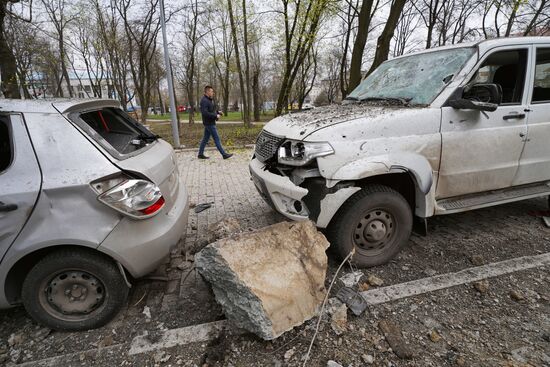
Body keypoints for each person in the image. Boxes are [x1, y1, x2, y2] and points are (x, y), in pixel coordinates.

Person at [197, 86, 232, 159]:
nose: (213, 93)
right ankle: (224, 154)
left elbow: (210, 111)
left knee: (205, 139)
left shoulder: (208, 100)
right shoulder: (204, 101)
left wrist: (217, 112)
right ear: (207, 92)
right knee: (217, 139)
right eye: (211, 91)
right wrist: (216, 115)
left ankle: (200, 154)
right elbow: (205, 113)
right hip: (209, 123)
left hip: (209, 123)